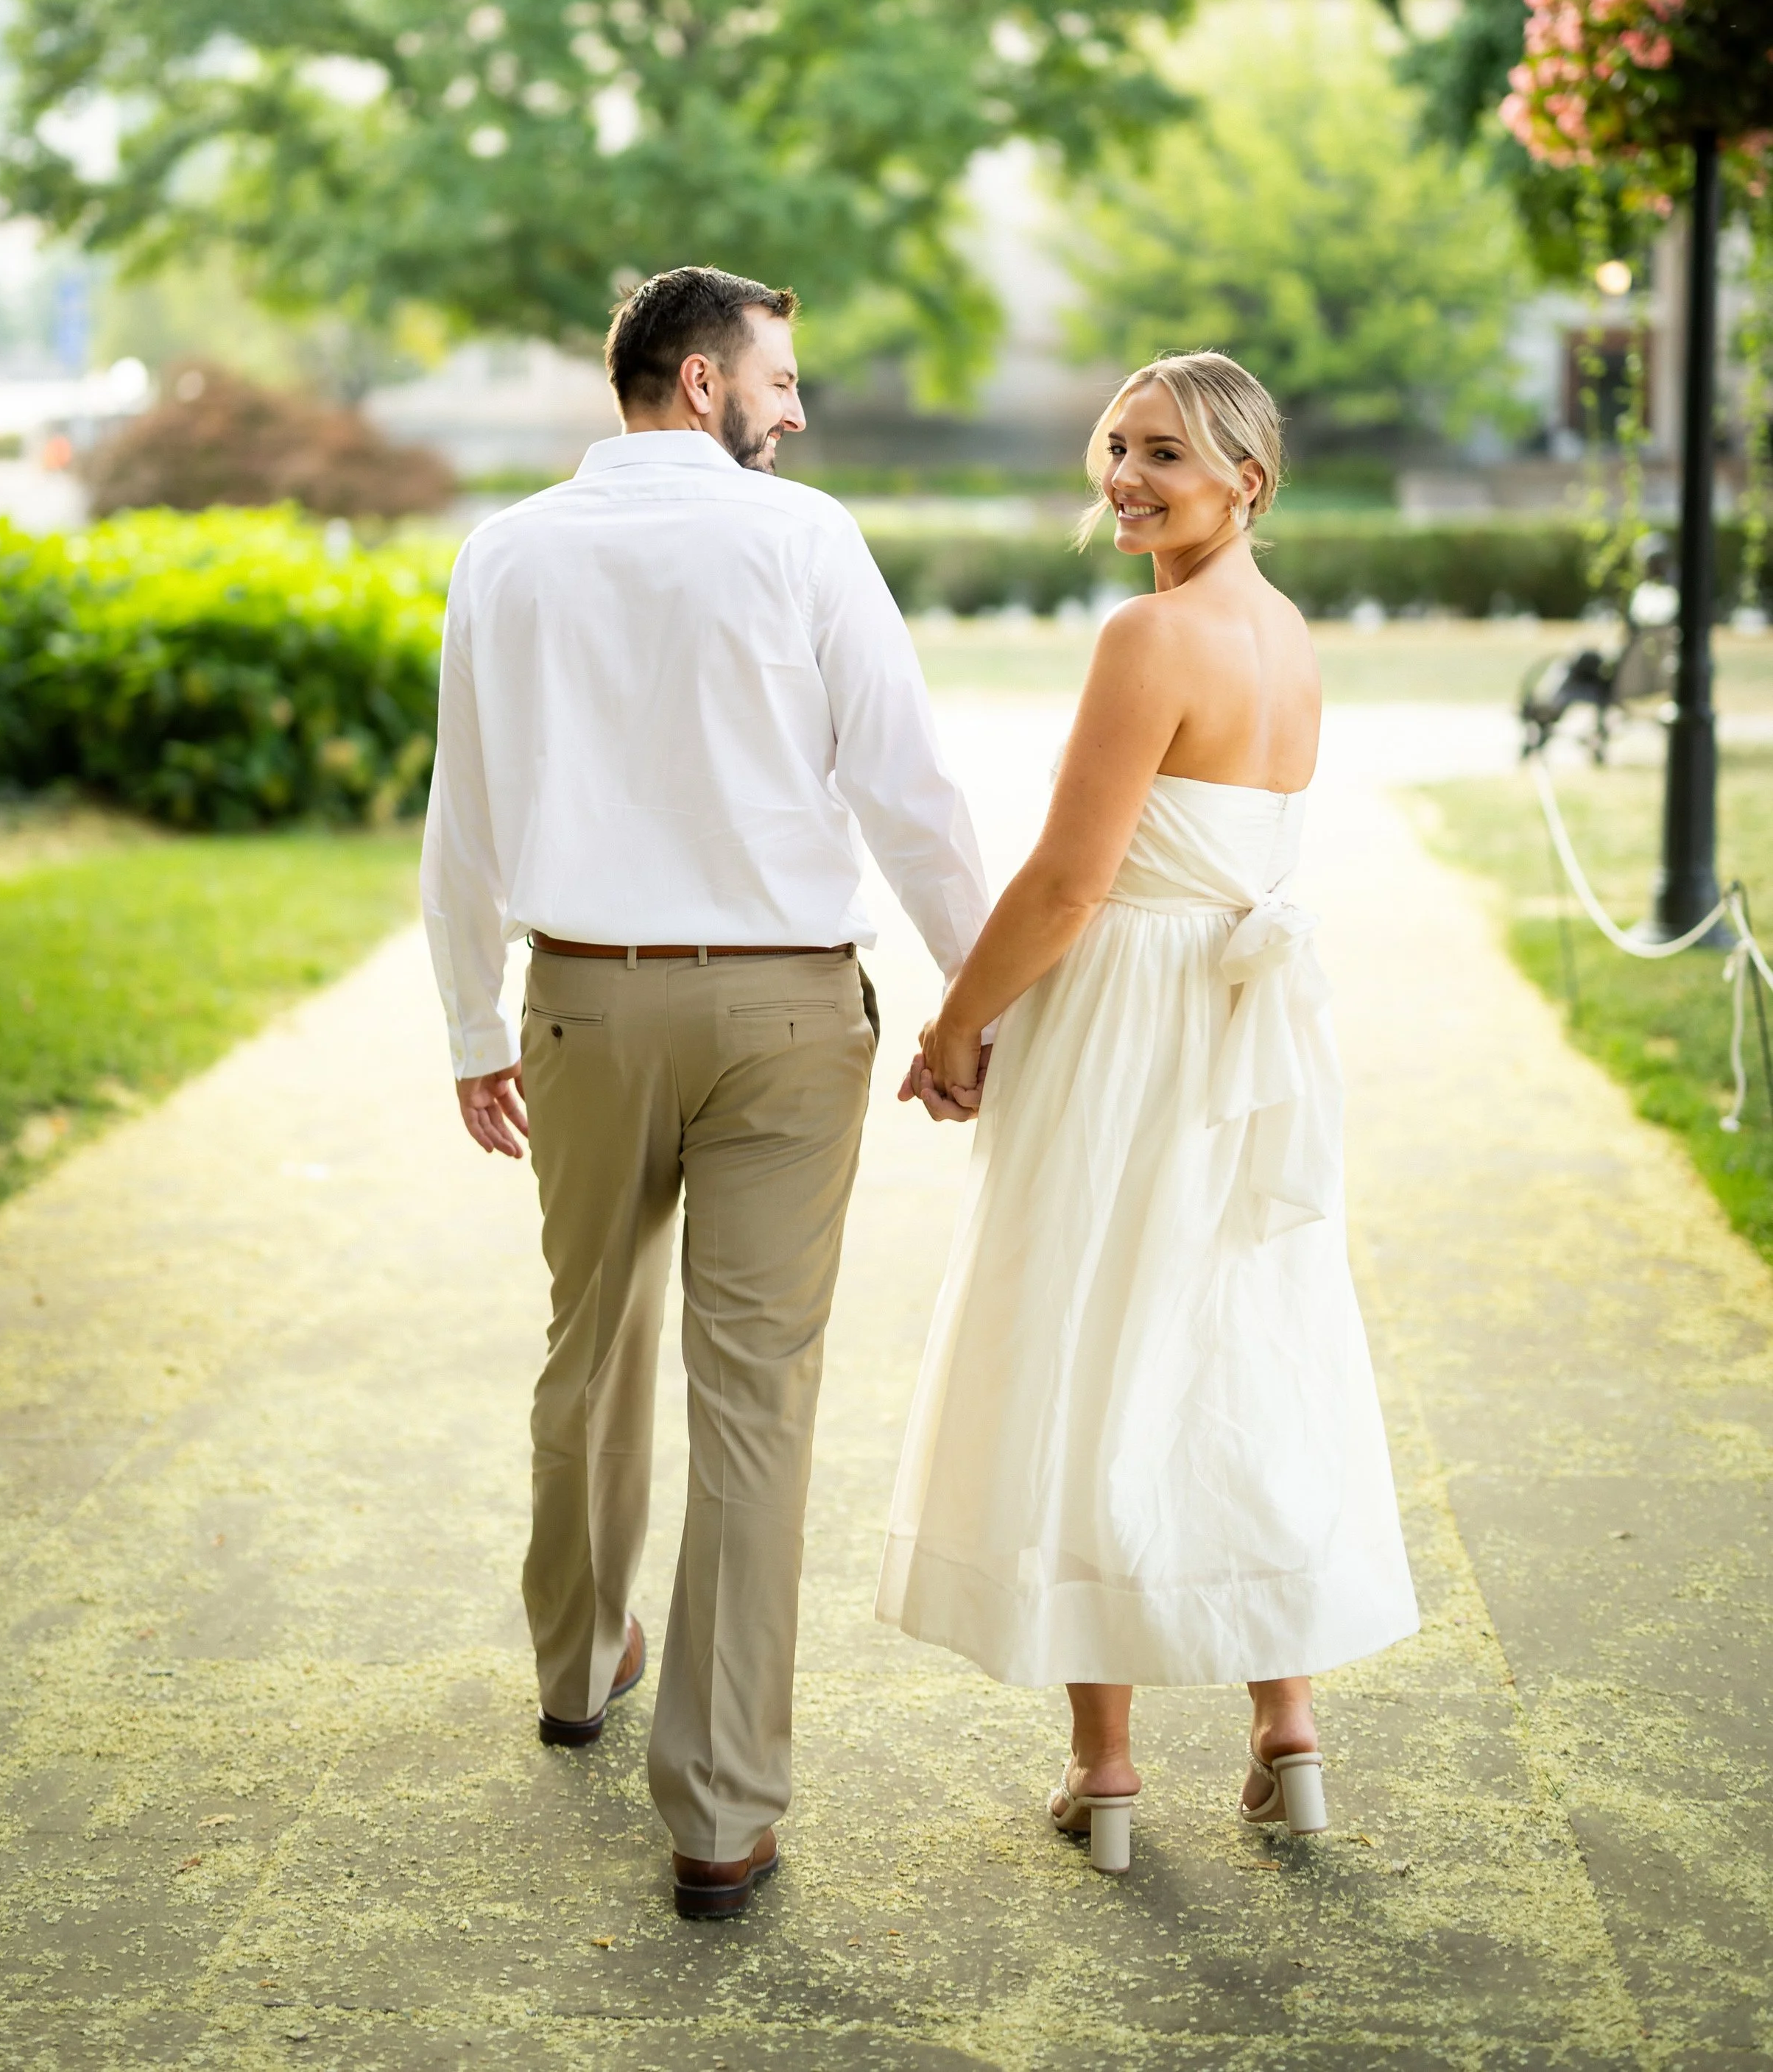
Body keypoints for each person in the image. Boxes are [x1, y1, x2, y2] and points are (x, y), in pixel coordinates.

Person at [420, 265, 988, 1919]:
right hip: (789, 1016)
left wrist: (473, 1024)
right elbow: (905, 787)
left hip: (581, 1005)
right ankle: (719, 1816)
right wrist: (982, 994)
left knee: (585, 1338)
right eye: (779, 380)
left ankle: (577, 1663)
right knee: (754, 1395)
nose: (795, 409)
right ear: (694, 384)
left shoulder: (504, 549)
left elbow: (463, 814)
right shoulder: (801, 539)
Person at [876, 350, 1418, 1870]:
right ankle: (1283, 1731)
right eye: (1112, 446)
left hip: (1125, 1024)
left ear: (1243, 479)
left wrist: (954, 1023)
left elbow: (1066, 884)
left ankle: (1105, 1769)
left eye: (1161, 454)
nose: (1122, 477)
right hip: (1238, 1031)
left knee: (1083, 1342)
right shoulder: (1291, 639)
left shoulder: (1147, 637)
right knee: (1235, 1350)